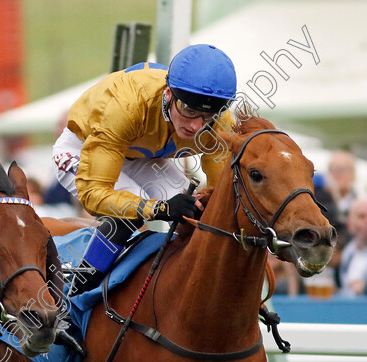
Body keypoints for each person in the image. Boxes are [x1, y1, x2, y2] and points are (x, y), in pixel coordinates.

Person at [53, 44, 237, 293]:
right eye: (189, 111)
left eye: (206, 117)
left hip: (140, 155)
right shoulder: (124, 106)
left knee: (198, 212)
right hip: (83, 147)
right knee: (130, 213)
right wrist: (159, 209)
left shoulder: (220, 123)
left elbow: (219, 196)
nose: (195, 126)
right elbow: (94, 194)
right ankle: (75, 298)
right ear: (169, 94)